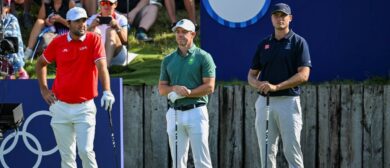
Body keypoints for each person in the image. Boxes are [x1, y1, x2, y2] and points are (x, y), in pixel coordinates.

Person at [35, 7, 115, 167]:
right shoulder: (58, 42)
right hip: (60, 106)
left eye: (84, 20)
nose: (82, 24)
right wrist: (44, 89)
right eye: (78, 21)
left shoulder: (94, 39)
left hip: (84, 108)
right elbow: (40, 63)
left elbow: (102, 67)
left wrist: (107, 91)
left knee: (86, 151)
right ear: (69, 23)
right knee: (67, 157)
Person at [247, 3, 311, 168]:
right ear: (271, 19)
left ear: (290, 18)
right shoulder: (263, 44)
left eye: (283, 15)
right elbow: (251, 75)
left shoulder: (298, 42)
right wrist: (258, 84)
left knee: (292, 149)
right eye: (276, 15)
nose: (280, 18)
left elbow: (304, 75)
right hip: (265, 103)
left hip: (288, 102)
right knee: (266, 150)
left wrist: (276, 86)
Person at [158, 19, 215, 168]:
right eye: (177, 32)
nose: (180, 35)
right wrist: (174, 89)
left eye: (184, 32)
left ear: (193, 34)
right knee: (177, 162)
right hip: (174, 113)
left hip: (196, 111)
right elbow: (162, 89)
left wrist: (188, 93)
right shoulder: (168, 60)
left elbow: (209, 87)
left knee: (202, 160)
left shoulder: (203, 56)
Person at [87, 0, 128, 66]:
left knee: (111, 31)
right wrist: (91, 26)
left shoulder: (121, 18)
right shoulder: (92, 19)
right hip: (97, 55)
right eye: (103, 3)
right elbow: (80, 39)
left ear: (115, 4)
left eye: (109, 3)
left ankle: (105, 68)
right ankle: (101, 67)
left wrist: (117, 27)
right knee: (93, 31)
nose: (106, 5)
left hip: (117, 56)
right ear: (99, 4)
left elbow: (125, 41)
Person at [1, 0, 29, 79]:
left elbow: (20, 1)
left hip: (3, 18)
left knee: (11, 21)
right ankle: (13, 69)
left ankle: (9, 69)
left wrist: (4, 9)